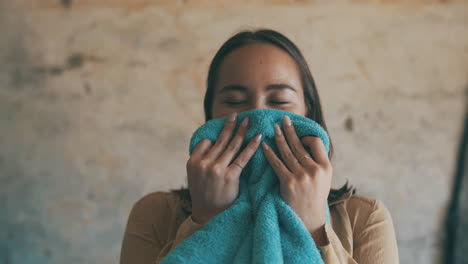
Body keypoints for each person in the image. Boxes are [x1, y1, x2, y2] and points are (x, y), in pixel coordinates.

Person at [120, 29, 399, 263]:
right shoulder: (155, 214)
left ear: (308, 115)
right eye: (234, 102)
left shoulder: (365, 218)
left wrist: (312, 225)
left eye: (279, 101)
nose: (258, 115)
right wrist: (205, 220)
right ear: (210, 116)